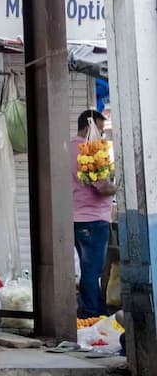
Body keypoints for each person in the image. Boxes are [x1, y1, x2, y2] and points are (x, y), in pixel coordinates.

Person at [71, 109, 116, 319]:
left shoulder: (68, 147)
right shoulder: (88, 150)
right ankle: (90, 314)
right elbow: (102, 187)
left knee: (88, 268)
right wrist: (118, 187)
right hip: (94, 219)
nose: (101, 135)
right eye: (99, 129)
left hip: (75, 219)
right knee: (92, 271)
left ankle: (98, 312)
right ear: (89, 126)